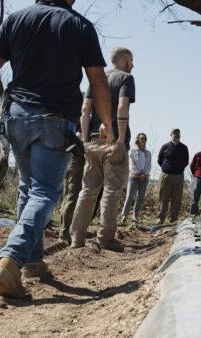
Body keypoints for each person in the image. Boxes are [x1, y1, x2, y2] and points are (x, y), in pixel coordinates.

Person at [0, 0, 114, 298]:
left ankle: (32, 261)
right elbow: (97, 79)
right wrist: (106, 123)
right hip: (54, 119)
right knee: (45, 191)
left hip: (16, 116)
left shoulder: (16, 19)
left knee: (29, 188)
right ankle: (11, 260)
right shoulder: (79, 25)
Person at [70, 47, 135, 249]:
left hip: (93, 141)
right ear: (124, 60)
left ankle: (77, 238)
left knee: (87, 190)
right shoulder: (125, 78)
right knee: (112, 190)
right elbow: (122, 107)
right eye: (131, 60)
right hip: (114, 140)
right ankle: (106, 238)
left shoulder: (96, 79)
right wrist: (120, 139)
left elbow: (84, 110)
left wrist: (86, 141)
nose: (133, 65)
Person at [58, 122, 84, 244]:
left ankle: (63, 231)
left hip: (67, 160)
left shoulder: (71, 128)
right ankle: (64, 233)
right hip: (76, 161)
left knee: (66, 196)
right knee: (71, 197)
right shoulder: (80, 132)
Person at [157, 129, 189, 224]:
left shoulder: (184, 147)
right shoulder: (165, 146)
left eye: (178, 133)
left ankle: (173, 219)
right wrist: (167, 168)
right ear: (171, 135)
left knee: (176, 198)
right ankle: (160, 218)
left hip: (178, 176)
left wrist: (178, 169)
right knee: (163, 197)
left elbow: (186, 161)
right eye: (175, 133)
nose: (177, 135)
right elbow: (160, 160)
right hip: (166, 175)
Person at [121, 132, 151, 223]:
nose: (144, 140)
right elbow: (132, 165)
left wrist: (144, 174)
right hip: (134, 177)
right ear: (138, 139)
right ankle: (124, 215)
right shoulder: (133, 151)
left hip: (144, 178)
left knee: (140, 198)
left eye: (145, 138)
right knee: (130, 196)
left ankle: (135, 216)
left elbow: (149, 165)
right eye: (142, 138)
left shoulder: (148, 153)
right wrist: (139, 174)